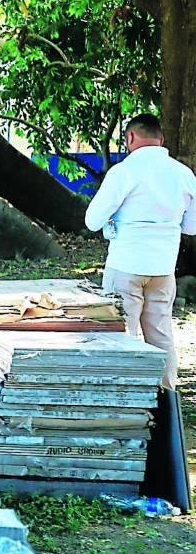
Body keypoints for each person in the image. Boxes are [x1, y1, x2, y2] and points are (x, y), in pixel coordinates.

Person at [85, 112, 196, 389]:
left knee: (123, 336)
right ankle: (168, 409)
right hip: (163, 269)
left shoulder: (123, 172)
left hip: (125, 265)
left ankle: (127, 405)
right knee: (162, 337)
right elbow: (192, 227)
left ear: (130, 138)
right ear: (162, 139)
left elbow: (92, 221)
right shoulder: (183, 174)